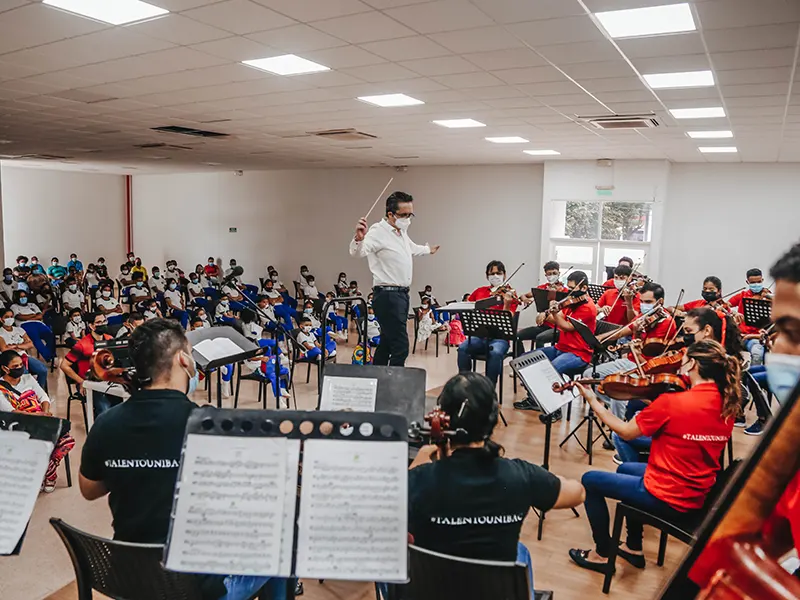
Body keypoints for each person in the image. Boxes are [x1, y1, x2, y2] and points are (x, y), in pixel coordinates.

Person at [78, 319, 280, 599]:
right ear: (183, 359)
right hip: (195, 586)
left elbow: (89, 490)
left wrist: (133, 464)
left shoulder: (107, 423)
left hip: (131, 578)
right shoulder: (210, 424)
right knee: (280, 542)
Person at [568, 339, 738, 573]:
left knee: (590, 480)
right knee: (625, 469)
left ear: (693, 365)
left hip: (669, 494)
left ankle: (601, 555)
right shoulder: (728, 404)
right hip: (697, 488)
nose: (679, 364)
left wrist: (593, 401)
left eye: (684, 359)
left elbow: (626, 433)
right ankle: (633, 547)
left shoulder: (674, 402)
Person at [407, 373, 585, 593]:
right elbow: (578, 493)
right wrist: (544, 481)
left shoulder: (418, 479)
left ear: (444, 419)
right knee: (520, 552)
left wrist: (418, 464)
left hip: (433, 591)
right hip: (494, 591)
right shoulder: (520, 475)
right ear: (494, 419)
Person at [350, 191, 440, 366]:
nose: (408, 219)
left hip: (401, 295)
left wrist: (428, 250)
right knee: (401, 346)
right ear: (390, 214)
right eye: (403, 215)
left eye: (410, 214)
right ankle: (393, 386)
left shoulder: (400, 232)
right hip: (387, 295)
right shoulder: (378, 231)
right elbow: (358, 252)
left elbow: (411, 248)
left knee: (386, 343)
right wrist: (358, 239)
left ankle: (377, 380)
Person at [581, 282, 678, 421]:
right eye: (643, 301)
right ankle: (621, 410)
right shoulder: (645, 316)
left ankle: (618, 428)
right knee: (589, 375)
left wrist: (637, 334)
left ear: (660, 301)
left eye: (648, 302)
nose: (644, 305)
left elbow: (648, 356)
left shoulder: (666, 323)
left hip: (645, 366)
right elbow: (622, 332)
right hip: (629, 361)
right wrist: (600, 338)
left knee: (618, 390)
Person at [515, 272, 597, 422]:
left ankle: (555, 409)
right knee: (525, 360)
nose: (569, 293)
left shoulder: (588, 308)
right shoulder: (571, 302)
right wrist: (546, 314)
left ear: (584, 288)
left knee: (551, 369)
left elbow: (566, 326)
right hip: (561, 348)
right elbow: (556, 318)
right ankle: (533, 399)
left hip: (579, 353)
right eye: (569, 288)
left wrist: (555, 314)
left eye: (573, 289)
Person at [0, 350, 73, 493]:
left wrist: (45, 412)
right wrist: (39, 415)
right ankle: (49, 473)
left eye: (21, 364)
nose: (20, 368)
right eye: (16, 366)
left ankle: (47, 469)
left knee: (65, 439)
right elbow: (12, 412)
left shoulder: (28, 379)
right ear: (5, 369)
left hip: (40, 419)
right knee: (48, 438)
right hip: (17, 425)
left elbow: (44, 397)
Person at [457, 260, 519, 388]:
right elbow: (468, 306)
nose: (495, 276)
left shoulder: (510, 293)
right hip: (479, 336)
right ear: (487, 276)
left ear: (505, 275)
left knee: (495, 352)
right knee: (463, 348)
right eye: (492, 274)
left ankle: (489, 389)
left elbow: (509, 317)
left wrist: (506, 304)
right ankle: (465, 385)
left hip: (500, 338)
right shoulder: (479, 291)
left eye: (499, 273)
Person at [60, 312, 116, 416]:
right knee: (105, 409)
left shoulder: (110, 340)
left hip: (109, 381)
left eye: (104, 321)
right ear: (91, 326)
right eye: (99, 322)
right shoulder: (81, 344)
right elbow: (64, 365)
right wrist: (81, 382)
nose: (103, 324)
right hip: (89, 383)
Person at [517, 260, 567, 354]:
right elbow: (523, 296)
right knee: (518, 335)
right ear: (545, 275)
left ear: (559, 273)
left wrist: (545, 312)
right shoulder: (542, 288)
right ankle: (521, 360)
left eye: (554, 273)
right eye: (549, 274)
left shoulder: (564, 291)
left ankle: (540, 363)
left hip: (557, 327)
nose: (552, 276)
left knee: (540, 338)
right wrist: (526, 300)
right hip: (544, 325)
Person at [728, 268, 772, 367]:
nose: (756, 285)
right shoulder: (743, 295)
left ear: (762, 280)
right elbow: (725, 306)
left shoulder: (768, 297)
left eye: (759, 282)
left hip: (756, 338)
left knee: (757, 352)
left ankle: (752, 380)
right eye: (753, 282)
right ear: (747, 282)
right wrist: (735, 313)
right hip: (740, 336)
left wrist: (769, 299)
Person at [0, 307, 50, 390]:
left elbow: (30, 344)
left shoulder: (19, 330)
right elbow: (4, 349)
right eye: (7, 317)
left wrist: (15, 346)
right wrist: (22, 344)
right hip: (10, 359)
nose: (10, 319)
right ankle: (26, 396)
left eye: (11, 317)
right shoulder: (1, 333)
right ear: (1, 319)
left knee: (43, 370)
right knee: (24, 374)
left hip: (23, 355)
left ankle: (39, 392)